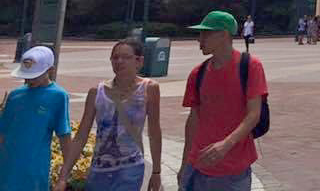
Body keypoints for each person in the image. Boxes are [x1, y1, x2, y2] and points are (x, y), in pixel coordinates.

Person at [179, 10, 268, 191]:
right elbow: (193, 120)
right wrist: (185, 163)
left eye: (205, 33)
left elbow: (254, 114)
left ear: (223, 35)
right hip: (198, 166)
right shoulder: (198, 73)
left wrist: (225, 145)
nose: (199, 39)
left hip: (234, 168)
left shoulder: (250, 66)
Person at [57, 38, 162, 191]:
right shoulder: (96, 92)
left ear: (139, 61)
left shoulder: (149, 88)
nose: (119, 61)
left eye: (125, 57)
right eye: (115, 57)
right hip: (99, 170)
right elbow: (81, 136)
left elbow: (154, 132)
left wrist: (156, 171)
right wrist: (63, 177)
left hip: (130, 169)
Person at [0, 45, 72, 191]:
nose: (29, 79)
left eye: (34, 75)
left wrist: (63, 178)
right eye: (26, 75)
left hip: (35, 170)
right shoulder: (15, 96)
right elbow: (2, 133)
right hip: (7, 169)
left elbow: (64, 136)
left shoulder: (58, 96)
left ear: (50, 70)